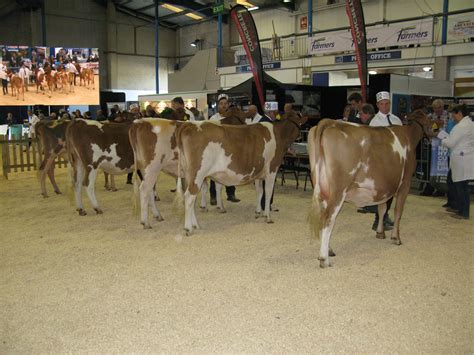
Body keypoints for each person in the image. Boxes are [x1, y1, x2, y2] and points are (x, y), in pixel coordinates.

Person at [368, 91, 402, 230]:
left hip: (394, 161)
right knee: (382, 192)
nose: (385, 107)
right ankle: (378, 219)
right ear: (377, 105)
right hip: (381, 161)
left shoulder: (396, 120)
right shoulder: (374, 122)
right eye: (382, 104)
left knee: (391, 191)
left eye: (387, 104)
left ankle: (384, 217)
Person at [438, 104, 473, 219]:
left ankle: (464, 213)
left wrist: (443, 140)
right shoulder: (470, 124)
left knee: (461, 187)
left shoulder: (461, 127)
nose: (453, 116)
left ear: (460, 114)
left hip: (461, 159)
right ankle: (459, 208)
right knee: (460, 185)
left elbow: (451, 143)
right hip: (465, 158)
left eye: (454, 114)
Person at [208, 94, 240, 204]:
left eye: (225, 104)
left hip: (230, 149)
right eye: (221, 104)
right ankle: (213, 196)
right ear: (218, 106)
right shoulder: (213, 118)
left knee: (230, 172)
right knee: (214, 173)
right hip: (216, 150)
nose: (224, 106)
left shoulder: (233, 118)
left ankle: (231, 194)